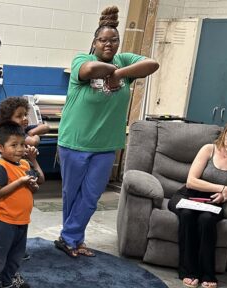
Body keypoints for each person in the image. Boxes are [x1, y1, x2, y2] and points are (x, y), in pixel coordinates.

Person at [54, 6, 159, 258]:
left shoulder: (124, 62)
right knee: (72, 194)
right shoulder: (82, 59)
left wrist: (120, 73)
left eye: (114, 40)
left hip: (105, 145)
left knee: (91, 196)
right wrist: (112, 72)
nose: (108, 44)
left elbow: (152, 64)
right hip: (74, 142)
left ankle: (67, 237)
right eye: (103, 40)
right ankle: (73, 239)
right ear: (94, 42)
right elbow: (90, 71)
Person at [168, 118, 227, 288]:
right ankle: (188, 271)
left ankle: (208, 273)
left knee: (206, 220)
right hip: (188, 196)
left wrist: (226, 195)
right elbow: (191, 181)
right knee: (187, 215)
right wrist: (222, 187)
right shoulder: (209, 149)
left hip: (213, 203)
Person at [0, 122, 45, 288]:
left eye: (23, 144)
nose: (20, 149)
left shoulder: (24, 164)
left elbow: (41, 179)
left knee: (16, 256)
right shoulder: (0, 166)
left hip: (23, 221)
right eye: (14, 145)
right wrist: (20, 182)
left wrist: (33, 161)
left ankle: (7, 282)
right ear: (0, 147)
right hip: (6, 222)